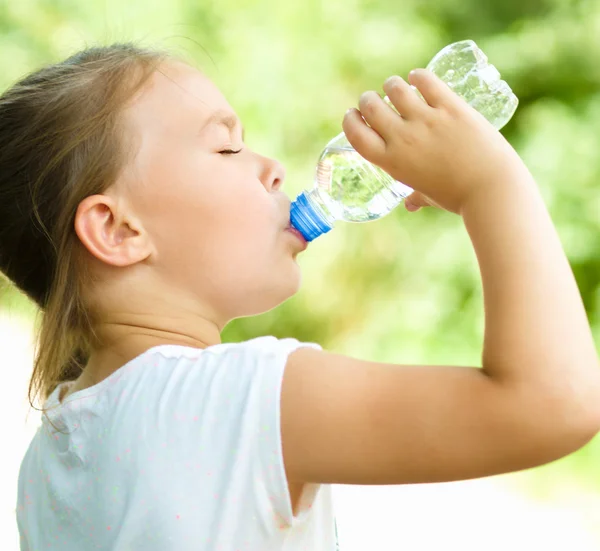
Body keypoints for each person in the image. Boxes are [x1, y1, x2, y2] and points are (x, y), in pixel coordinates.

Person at [6, 42, 599, 551]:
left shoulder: (52, 453)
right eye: (227, 149)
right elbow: (552, 404)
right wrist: (490, 185)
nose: (271, 169)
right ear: (118, 230)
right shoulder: (235, 400)